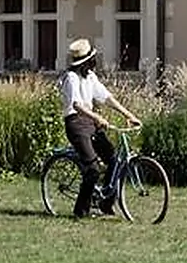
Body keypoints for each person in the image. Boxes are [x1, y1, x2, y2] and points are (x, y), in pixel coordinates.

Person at [58, 37, 141, 219]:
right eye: (93, 59)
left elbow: (107, 98)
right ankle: (80, 210)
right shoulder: (71, 78)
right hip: (76, 125)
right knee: (93, 169)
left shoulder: (90, 77)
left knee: (113, 159)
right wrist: (97, 117)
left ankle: (106, 203)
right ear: (87, 60)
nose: (95, 62)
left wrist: (129, 115)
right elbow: (77, 105)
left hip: (90, 123)